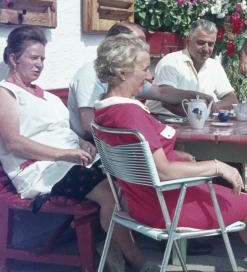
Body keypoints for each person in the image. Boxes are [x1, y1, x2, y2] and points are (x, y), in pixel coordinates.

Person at [93, 33, 247, 271]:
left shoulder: (105, 113)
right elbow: (164, 172)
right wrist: (218, 165)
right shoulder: (131, 114)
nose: (150, 76)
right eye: (145, 69)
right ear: (122, 73)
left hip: (141, 203)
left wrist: (180, 157)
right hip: (168, 207)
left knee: (241, 205)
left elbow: (145, 160)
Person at [0, 26, 148, 271]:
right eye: (33, 58)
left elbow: (62, 130)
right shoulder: (6, 94)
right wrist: (63, 154)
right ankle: (138, 262)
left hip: (70, 161)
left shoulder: (45, 95)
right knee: (108, 193)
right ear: (14, 58)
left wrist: (82, 143)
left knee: (127, 177)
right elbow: (13, 142)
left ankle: (112, 248)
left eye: (43, 59)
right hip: (40, 170)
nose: (40, 64)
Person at [68, 21, 213, 141]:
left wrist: (197, 96)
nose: (145, 47)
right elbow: (88, 124)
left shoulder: (128, 76)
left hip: (121, 145)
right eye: (139, 42)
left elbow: (161, 92)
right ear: (119, 45)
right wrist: (139, 130)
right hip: (96, 149)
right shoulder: (89, 74)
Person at [146, 19, 238, 117]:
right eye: (201, 43)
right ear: (188, 40)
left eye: (211, 44)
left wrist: (207, 110)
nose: (206, 49)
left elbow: (232, 100)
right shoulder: (171, 62)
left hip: (198, 122)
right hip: (163, 120)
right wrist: (201, 112)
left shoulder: (214, 66)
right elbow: (166, 101)